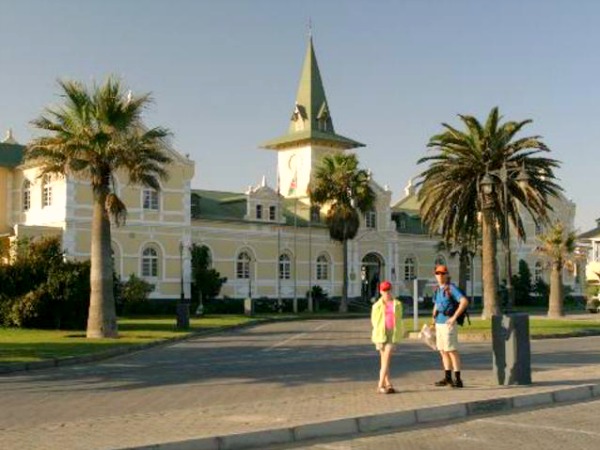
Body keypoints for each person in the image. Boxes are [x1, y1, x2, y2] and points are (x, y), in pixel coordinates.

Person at [431, 265, 469, 388]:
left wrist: (454, 318)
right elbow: (436, 304)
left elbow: (464, 301)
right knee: (443, 351)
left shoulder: (451, 288)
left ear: (447, 275)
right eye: (438, 273)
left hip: (448, 324)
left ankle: (458, 379)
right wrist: (433, 320)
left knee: (451, 350)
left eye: (442, 273)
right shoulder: (437, 289)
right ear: (435, 275)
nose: (440, 276)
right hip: (439, 323)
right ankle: (448, 378)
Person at [371, 280, 403, 394]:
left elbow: (399, 319)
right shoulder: (376, 306)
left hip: (392, 334)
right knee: (384, 361)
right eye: (384, 290)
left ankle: (380, 385)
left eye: (388, 290)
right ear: (380, 291)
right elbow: (374, 321)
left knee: (386, 359)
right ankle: (388, 383)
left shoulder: (397, 304)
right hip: (380, 334)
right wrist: (379, 331)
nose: (387, 293)